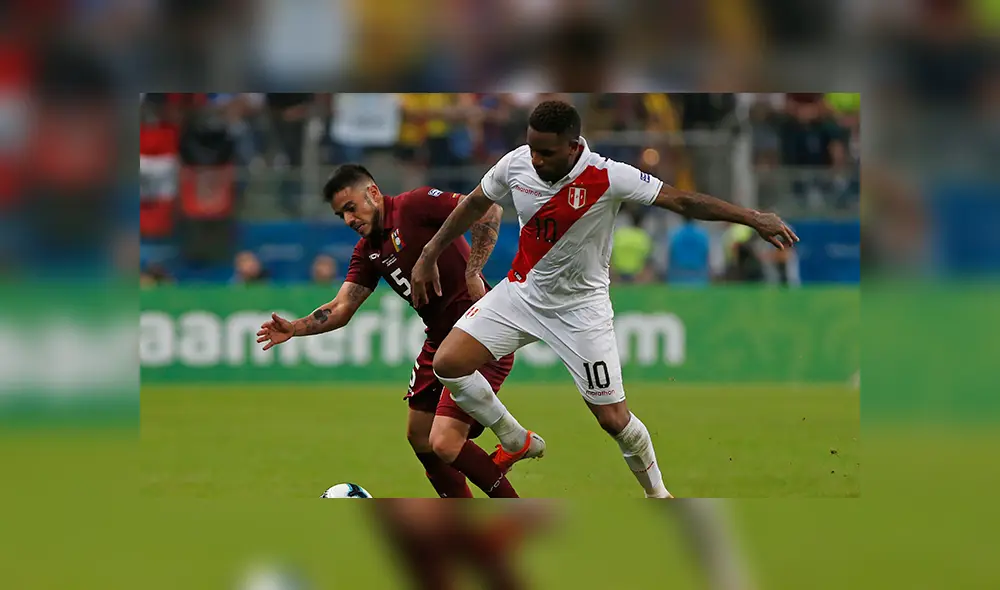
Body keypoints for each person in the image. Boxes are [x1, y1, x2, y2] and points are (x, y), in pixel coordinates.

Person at [410, 100, 798, 498]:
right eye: (532, 149)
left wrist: (753, 217)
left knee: (613, 420)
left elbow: (681, 200)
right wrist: (429, 253)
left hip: (582, 310)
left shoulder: (608, 175)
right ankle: (514, 438)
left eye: (546, 152)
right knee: (449, 363)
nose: (536, 159)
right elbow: (475, 202)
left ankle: (659, 495)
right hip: (521, 294)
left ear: (574, 147)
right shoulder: (515, 164)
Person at [256, 164, 520, 498]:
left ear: (373, 193)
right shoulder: (367, 251)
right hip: (439, 343)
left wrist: (474, 271)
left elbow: (489, 208)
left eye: (351, 208)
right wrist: (294, 328)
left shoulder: (415, 204)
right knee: (419, 435)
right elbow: (341, 308)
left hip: (478, 335)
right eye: (341, 216)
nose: (349, 220)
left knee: (445, 439)